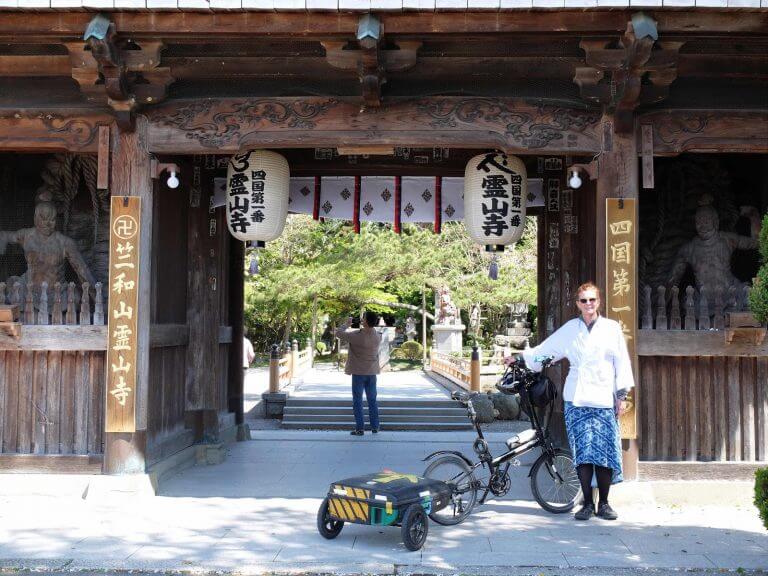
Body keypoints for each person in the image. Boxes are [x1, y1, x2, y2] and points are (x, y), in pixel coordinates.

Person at [505, 282, 634, 521]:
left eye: (592, 299)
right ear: (578, 304)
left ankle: (604, 503)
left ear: (599, 302)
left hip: (604, 398)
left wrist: (621, 396)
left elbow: (622, 363)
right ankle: (586, 503)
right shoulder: (570, 329)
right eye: (584, 300)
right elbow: (546, 350)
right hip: (577, 398)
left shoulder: (611, 328)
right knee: (583, 453)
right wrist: (519, 359)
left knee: (604, 453)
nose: (588, 304)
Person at [336, 310, 382, 436]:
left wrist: (347, 324)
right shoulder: (378, 336)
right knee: (372, 400)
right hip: (372, 372)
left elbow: (338, 333)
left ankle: (360, 428)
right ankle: (375, 427)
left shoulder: (356, 336)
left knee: (357, 401)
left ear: (365, 321)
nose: (361, 319)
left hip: (358, 372)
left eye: (363, 318)